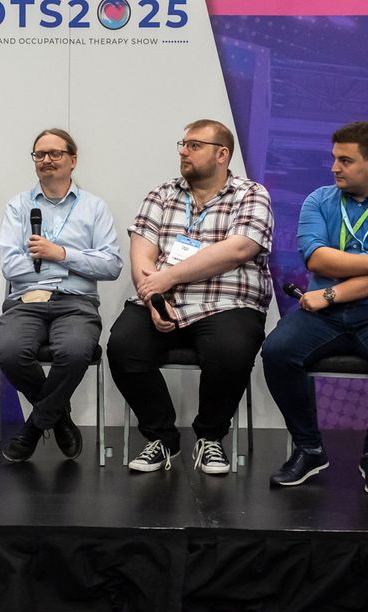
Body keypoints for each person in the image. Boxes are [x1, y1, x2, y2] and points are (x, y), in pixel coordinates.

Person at [262, 121, 368, 497]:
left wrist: (330, 294)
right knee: (276, 351)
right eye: (334, 158)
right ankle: (309, 449)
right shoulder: (319, 200)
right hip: (325, 316)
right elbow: (317, 259)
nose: (334, 168)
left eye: (345, 160)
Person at [107, 119, 272, 474]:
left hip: (226, 301)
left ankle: (210, 437)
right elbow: (142, 253)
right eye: (183, 144)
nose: (184, 151)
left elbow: (239, 248)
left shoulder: (250, 194)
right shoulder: (161, 194)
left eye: (194, 145)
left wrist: (167, 277)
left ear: (222, 154)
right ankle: (162, 438)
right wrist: (152, 297)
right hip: (162, 298)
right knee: (123, 346)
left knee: (231, 350)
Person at [0, 128, 122, 461]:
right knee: (10, 352)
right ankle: (59, 417)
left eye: (55, 153)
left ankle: (34, 427)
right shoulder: (18, 206)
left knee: (76, 351)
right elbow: (10, 266)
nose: (47, 160)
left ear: (73, 160)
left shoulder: (94, 208)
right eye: (40, 154)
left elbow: (111, 265)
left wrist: (59, 254)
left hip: (76, 303)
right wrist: (72, 265)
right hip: (26, 301)